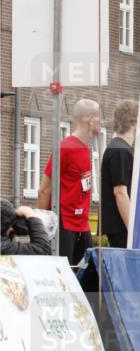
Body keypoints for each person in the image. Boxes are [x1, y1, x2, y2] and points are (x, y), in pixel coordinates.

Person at [37, 98, 100, 265]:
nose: (101, 121)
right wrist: (40, 230)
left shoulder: (85, 148)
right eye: (98, 116)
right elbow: (44, 190)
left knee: (88, 273)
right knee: (63, 272)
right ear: (89, 119)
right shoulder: (65, 148)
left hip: (82, 224)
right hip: (64, 225)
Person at [100, 98, 138, 248]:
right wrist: (133, 231)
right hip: (122, 227)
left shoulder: (118, 148)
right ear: (133, 122)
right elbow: (120, 192)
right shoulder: (120, 150)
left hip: (119, 226)